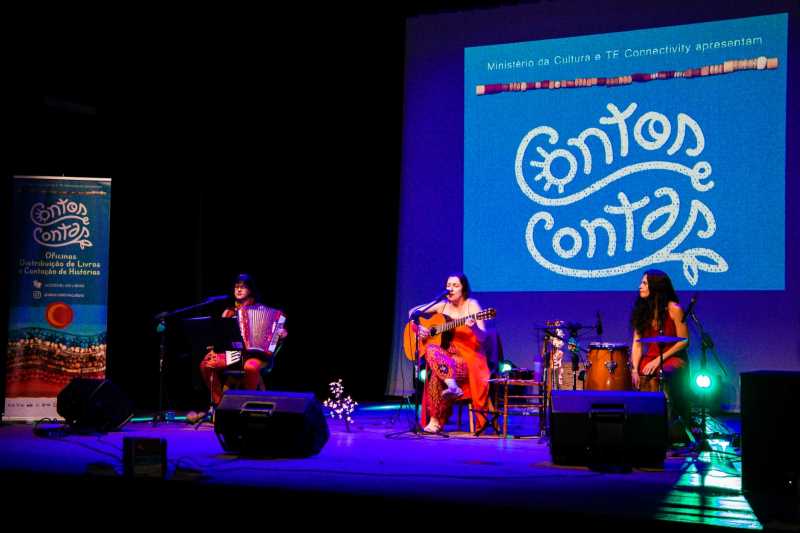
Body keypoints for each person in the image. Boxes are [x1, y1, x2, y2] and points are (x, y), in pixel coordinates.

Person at [190, 274, 287, 423]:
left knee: (250, 367)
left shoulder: (264, 310)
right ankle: (219, 406)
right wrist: (214, 351)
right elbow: (220, 338)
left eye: (243, 286)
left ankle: (247, 407)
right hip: (237, 355)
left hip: (259, 356)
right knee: (206, 364)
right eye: (236, 286)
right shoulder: (229, 312)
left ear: (251, 290)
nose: (239, 289)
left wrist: (280, 334)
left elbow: (279, 331)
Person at [409, 273, 492, 434]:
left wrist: (473, 327)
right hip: (444, 358)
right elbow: (412, 312)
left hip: (466, 359)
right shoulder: (441, 306)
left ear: (463, 288)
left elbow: (483, 336)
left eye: (455, 285)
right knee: (432, 352)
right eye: (448, 285)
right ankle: (450, 390)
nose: (450, 288)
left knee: (435, 371)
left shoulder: (472, 306)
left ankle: (435, 420)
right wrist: (419, 327)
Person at [630, 269, 691, 440]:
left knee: (660, 372)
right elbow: (636, 343)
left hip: (672, 357)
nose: (640, 287)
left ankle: (668, 427)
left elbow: (684, 341)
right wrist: (634, 369)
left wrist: (658, 360)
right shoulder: (642, 311)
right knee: (639, 375)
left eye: (644, 283)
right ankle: (645, 426)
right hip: (651, 358)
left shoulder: (674, 309)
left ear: (656, 287)